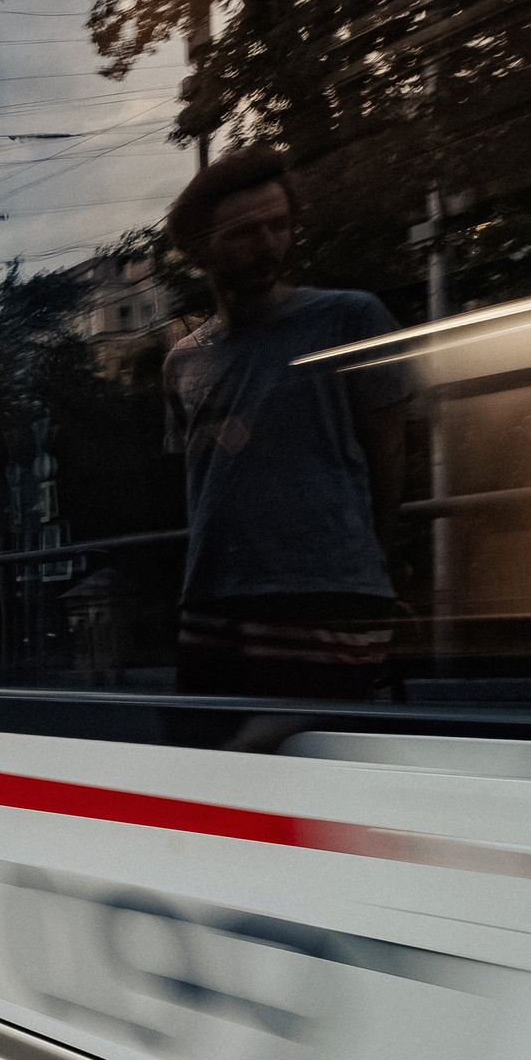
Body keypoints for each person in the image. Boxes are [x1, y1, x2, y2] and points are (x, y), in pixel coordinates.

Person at [160, 147, 410, 699]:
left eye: (280, 225)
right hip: (212, 598)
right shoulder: (183, 361)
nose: (269, 245)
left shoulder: (350, 317)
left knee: (299, 756)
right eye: (246, 232)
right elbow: (203, 487)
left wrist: (371, 566)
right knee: (206, 762)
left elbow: (389, 454)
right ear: (202, 250)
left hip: (322, 593)